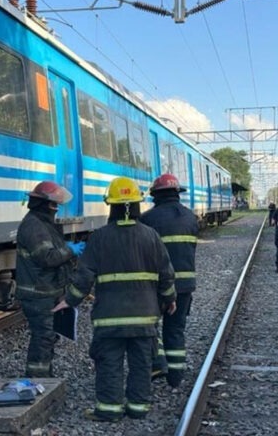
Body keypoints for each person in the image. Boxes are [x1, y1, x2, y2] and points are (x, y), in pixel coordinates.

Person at [54, 177, 176, 422]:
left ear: (111, 206)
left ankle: (109, 410)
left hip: (109, 318)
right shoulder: (151, 236)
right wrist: (169, 299)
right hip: (144, 318)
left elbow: (84, 277)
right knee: (141, 364)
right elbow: (166, 274)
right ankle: (138, 408)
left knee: (109, 362)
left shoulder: (99, 237)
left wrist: (69, 301)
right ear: (137, 205)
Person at [16, 181, 83, 377]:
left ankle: (44, 379)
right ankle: (38, 380)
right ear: (44, 204)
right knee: (43, 337)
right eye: (54, 205)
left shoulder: (42, 224)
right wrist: (70, 250)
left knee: (48, 336)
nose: (56, 209)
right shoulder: (34, 226)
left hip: (45, 291)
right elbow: (47, 258)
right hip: (38, 294)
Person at [142, 173, 200, 388]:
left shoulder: (147, 219)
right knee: (175, 329)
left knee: (150, 326)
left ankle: (158, 364)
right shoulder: (191, 217)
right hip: (185, 286)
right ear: (177, 193)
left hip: (156, 285)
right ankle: (176, 376)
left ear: (155, 195)